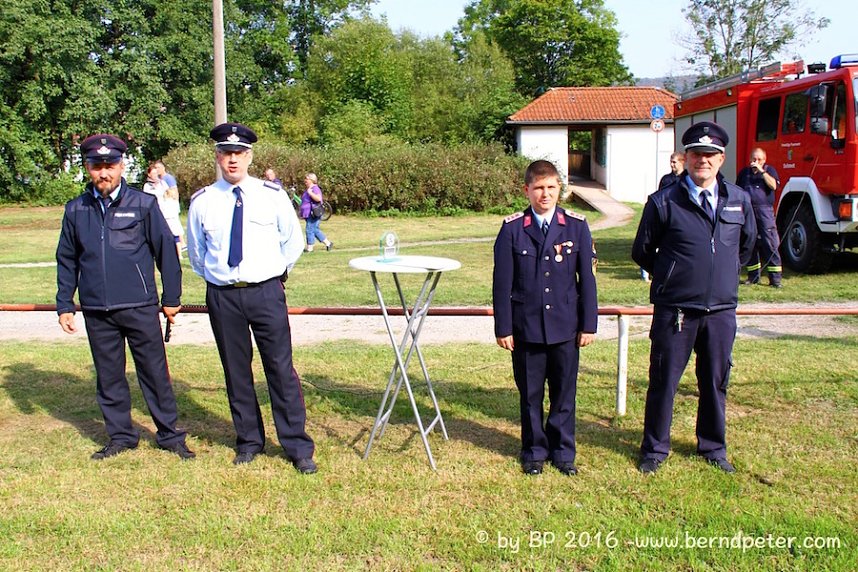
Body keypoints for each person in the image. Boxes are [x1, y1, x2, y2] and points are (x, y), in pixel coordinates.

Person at [186, 122, 317, 473]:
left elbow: (291, 243)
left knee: (280, 368)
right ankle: (248, 441)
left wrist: (273, 273)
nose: (233, 160)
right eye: (226, 153)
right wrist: (221, 278)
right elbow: (197, 255)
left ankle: (297, 446)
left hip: (265, 292)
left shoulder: (271, 195)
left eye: (239, 154)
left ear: (250, 156)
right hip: (223, 296)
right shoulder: (202, 202)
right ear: (217, 156)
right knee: (236, 371)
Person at [55, 134, 194, 461]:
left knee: (154, 373)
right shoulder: (76, 209)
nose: (104, 172)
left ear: (121, 166)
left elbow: (166, 255)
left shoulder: (143, 204)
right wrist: (65, 303)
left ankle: (170, 435)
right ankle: (120, 436)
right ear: (88, 168)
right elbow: (67, 259)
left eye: (110, 165)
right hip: (97, 309)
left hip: (139, 305)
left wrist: (171, 298)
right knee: (109, 377)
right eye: (97, 166)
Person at [632, 121, 756, 475]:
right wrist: (674, 275)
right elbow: (642, 251)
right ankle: (655, 449)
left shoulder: (738, 200)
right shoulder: (663, 201)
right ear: (686, 158)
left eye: (711, 154)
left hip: (720, 311)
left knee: (716, 382)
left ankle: (713, 448)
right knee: (663, 382)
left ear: (721, 159)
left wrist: (719, 277)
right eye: (697, 154)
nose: (704, 160)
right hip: (676, 311)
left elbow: (746, 247)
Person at [492, 159, 598, 476]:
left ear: (559, 190)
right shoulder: (512, 229)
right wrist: (504, 327)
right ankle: (535, 451)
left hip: (566, 327)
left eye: (551, 187)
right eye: (538, 188)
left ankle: (563, 453)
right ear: (527, 190)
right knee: (531, 396)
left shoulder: (576, 226)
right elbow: (502, 283)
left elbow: (587, 281)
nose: (545, 194)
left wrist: (588, 323)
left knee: (564, 395)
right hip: (526, 329)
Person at [736, 148, 782, 287]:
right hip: (748, 212)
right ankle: (753, 277)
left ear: (764, 160)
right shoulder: (744, 173)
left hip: (764, 212)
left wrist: (762, 171)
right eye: (753, 159)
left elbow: (773, 186)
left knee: (770, 243)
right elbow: (738, 190)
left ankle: (775, 280)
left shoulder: (769, 171)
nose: (755, 162)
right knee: (750, 243)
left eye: (759, 160)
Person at [299, 173, 333, 252]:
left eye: (307, 179)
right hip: (308, 214)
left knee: (309, 229)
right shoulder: (309, 189)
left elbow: (318, 198)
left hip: (313, 213)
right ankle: (328, 243)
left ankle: (310, 248)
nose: (305, 180)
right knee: (315, 230)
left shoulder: (315, 188)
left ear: (312, 180)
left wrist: (310, 193)